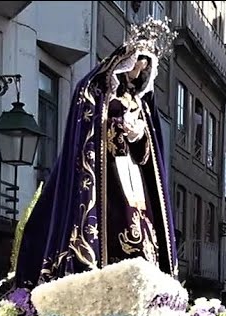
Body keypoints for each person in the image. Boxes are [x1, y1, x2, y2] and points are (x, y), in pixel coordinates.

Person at [13, 21, 177, 284]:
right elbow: (88, 130)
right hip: (107, 175)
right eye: (138, 63)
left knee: (141, 226)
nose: (139, 70)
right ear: (125, 60)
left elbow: (149, 155)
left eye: (145, 66)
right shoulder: (99, 93)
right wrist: (115, 126)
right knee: (119, 222)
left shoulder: (142, 105)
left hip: (132, 175)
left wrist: (138, 136)